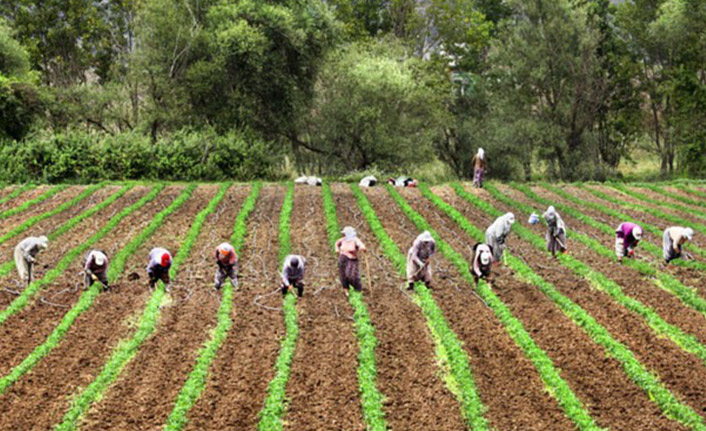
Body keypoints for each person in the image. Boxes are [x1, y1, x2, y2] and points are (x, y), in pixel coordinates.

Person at [335, 226, 367, 293]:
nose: (344, 235)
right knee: (343, 274)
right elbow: (337, 243)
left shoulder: (355, 240)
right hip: (342, 258)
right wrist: (337, 249)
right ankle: (346, 290)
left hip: (351, 260)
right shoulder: (343, 240)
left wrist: (362, 248)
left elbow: (361, 245)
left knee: (352, 275)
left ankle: (357, 289)